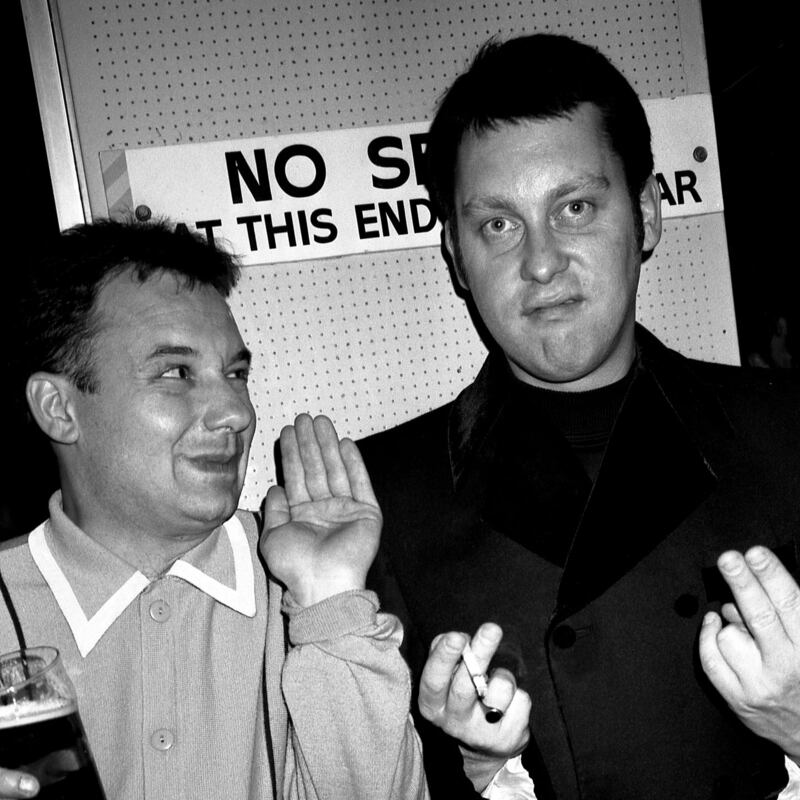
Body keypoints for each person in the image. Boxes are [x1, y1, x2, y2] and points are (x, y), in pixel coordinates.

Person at [359, 34, 800, 800]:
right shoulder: (380, 499)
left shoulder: (787, 431)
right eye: (498, 224)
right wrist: (478, 769)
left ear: (648, 216)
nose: (540, 261)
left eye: (575, 207)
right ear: (457, 259)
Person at [0, 219, 429, 799]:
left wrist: (328, 603)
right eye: (177, 373)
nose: (235, 411)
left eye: (235, 374)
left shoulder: (309, 592)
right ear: (59, 408)